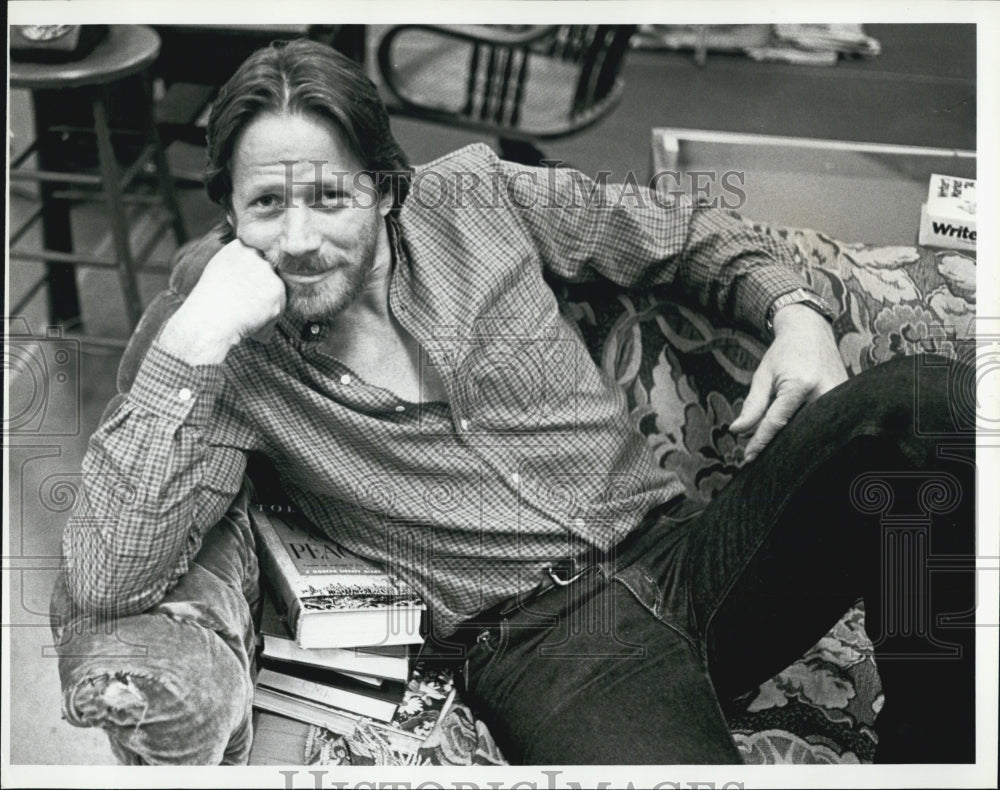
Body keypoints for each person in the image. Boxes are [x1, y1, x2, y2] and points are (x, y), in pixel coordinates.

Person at [58, 38, 975, 765]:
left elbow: (674, 229)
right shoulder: (223, 348)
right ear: (229, 213)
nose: (297, 240)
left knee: (923, 404)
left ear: (384, 190)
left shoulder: (476, 198)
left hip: (694, 552)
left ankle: (937, 756)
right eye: (266, 206)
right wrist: (190, 344)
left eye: (330, 197)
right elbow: (105, 578)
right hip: (548, 652)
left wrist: (795, 310)